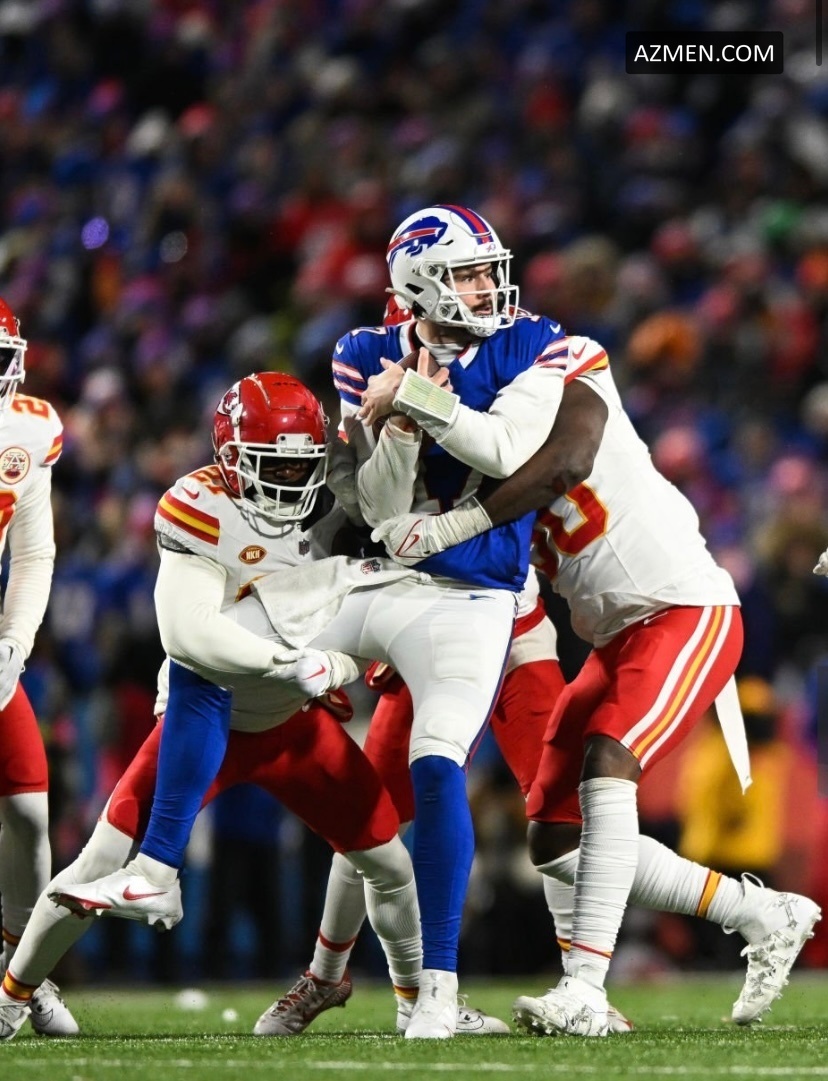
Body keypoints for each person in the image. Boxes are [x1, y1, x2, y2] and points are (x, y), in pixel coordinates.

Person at [2, 371, 503, 1040]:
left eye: (301, 464)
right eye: (275, 464)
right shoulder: (201, 505)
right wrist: (290, 663)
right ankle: (13, 995)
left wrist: (349, 661)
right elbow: (188, 636)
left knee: (389, 864)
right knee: (97, 863)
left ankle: (416, 1000)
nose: (291, 480)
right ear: (231, 457)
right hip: (210, 721)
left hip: (297, 725)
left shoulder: (340, 501)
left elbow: (372, 599)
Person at [370, 333, 822, 1035]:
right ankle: (761, 911)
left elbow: (567, 461)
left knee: (609, 760)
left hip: (683, 607)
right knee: (555, 838)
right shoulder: (476, 456)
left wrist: (429, 428)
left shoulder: (561, 367)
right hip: (616, 636)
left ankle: (583, 988)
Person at [322, 202, 594, 1038]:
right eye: (467, 273)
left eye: (487, 269)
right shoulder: (361, 352)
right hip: (401, 590)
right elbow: (374, 510)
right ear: (418, 284)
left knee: (543, 798)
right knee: (359, 795)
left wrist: (412, 398)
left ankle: (572, 978)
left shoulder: (531, 339)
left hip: (493, 600)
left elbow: (508, 452)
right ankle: (324, 974)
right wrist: (404, 426)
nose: (487, 286)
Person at [0, 299, 78, 1039]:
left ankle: (19, 971)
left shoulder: (26, 428)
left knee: (27, 809)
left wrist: (13, 644)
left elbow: (32, 552)